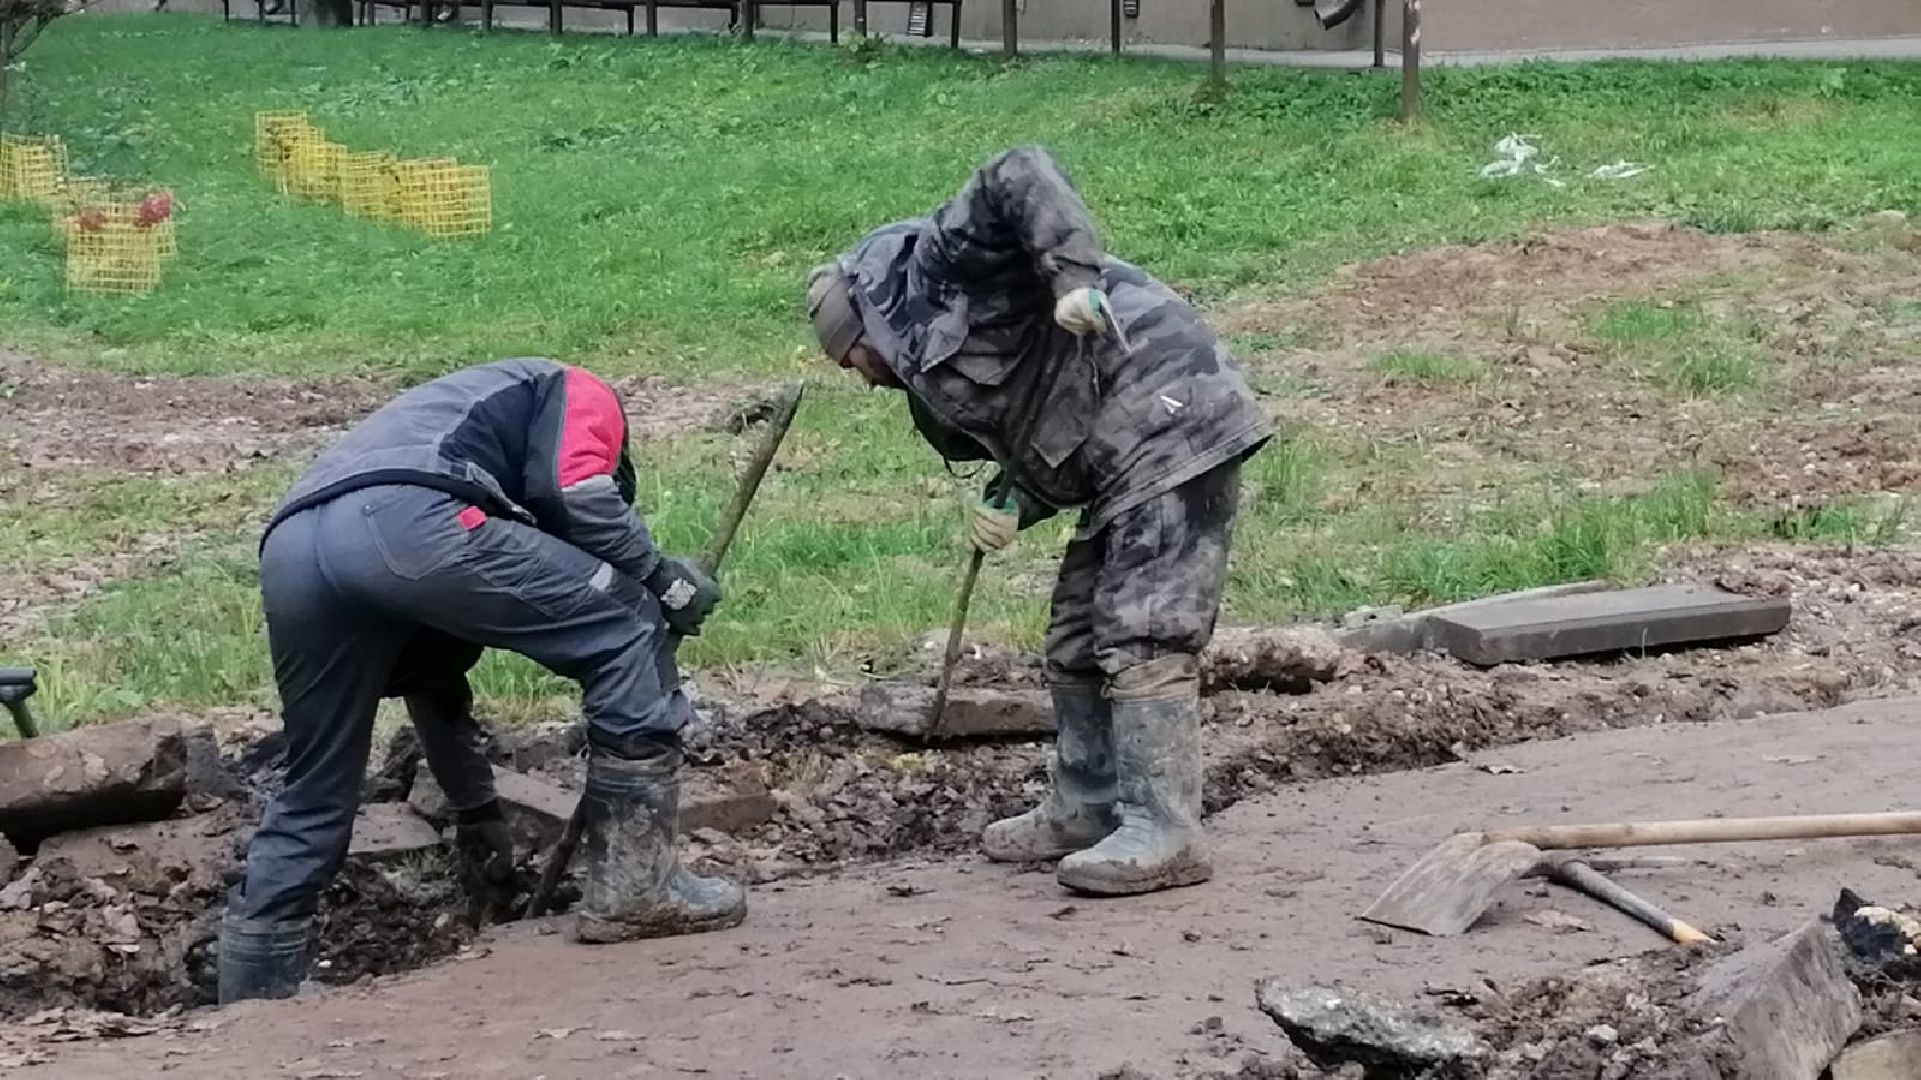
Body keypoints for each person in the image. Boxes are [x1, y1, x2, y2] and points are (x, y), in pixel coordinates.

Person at [805, 146, 1271, 897]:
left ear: (862, 325)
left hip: (1170, 410)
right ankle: (1087, 806)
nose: (857, 379)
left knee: (1143, 628)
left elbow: (1017, 170)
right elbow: (1048, 405)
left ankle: (1166, 828)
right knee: (1075, 639)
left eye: (847, 358)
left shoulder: (940, 268)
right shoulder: (926, 348)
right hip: (1116, 443)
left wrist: (1072, 282)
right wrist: (1014, 499)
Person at [219, 358, 743, 1005]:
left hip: (294, 549)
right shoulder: (579, 391)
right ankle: (637, 889)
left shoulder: (464, 436)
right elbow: (580, 498)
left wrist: (479, 820)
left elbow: (435, 692)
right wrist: (662, 579)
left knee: (316, 779)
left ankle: (254, 993)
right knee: (627, 624)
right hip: (409, 522)